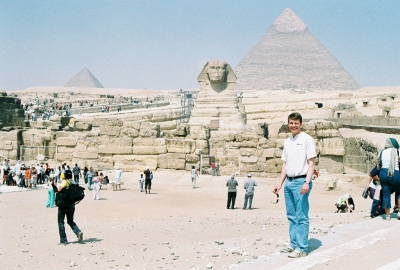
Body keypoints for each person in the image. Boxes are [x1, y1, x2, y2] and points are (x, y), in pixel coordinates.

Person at [273, 112, 316, 258]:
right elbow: (285, 165)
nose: (293, 125)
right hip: (289, 182)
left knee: (301, 216)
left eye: (296, 123)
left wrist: (307, 182)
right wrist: (279, 183)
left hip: (301, 182)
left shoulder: (307, 140)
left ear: (301, 124)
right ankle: (294, 244)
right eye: (291, 123)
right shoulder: (287, 141)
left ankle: (302, 248)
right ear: (288, 124)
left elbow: (311, 163)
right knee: (291, 215)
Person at [57, 169, 83, 245]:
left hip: (63, 205)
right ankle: (78, 232)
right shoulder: (74, 182)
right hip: (72, 205)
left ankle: (63, 240)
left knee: (61, 222)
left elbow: (59, 190)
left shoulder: (65, 182)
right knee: (70, 221)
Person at [377, 138, 400, 220]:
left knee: (386, 194)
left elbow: (379, 163)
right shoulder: (397, 151)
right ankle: (399, 212)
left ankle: (387, 215)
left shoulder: (382, 152)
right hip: (394, 172)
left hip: (383, 173)